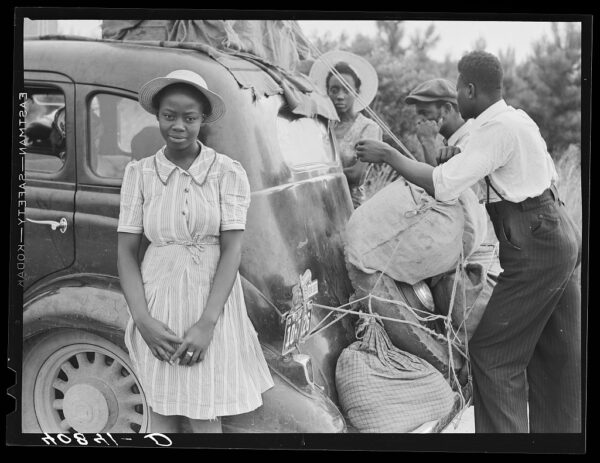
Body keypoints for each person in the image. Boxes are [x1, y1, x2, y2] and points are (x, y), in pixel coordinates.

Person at [355, 51, 581, 433]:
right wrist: (453, 156)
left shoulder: (495, 131)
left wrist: (390, 156)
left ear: (470, 89)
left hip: (536, 242)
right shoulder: (513, 120)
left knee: (492, 354)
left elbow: (443, 186)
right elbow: (482, 163)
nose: (457, 94)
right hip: (555, 232)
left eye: (458, 87)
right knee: (555, 353)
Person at [117, 69, 274, 433]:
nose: (178, 126)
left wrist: (206, 324)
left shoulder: (227, 173)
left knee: (205, 414)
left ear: (202, 120)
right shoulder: (139, 174)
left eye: (189, 118)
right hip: (158, 301)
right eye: (169, 116)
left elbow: (232, 249)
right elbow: (126, 252)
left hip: (211, 304)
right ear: (157, 115)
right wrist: (143, 320)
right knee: (160, 411)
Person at [405, 78, 500, 273]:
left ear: (447, 109)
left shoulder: (469, 142)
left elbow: (442, 192)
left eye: (425, 113)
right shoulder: (452, 142)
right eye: (418, 115)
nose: (419, 121)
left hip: (468, 236)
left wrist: (427, 142)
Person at [309, 51, 382, 208]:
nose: (340, 96)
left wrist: (314, 174)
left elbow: (357, 176)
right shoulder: (321, 125)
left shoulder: (368, 128)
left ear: (356, 92)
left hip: (350, 207)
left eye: (346, 89)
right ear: (327, 92)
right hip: (318, 204)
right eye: (334, 90)